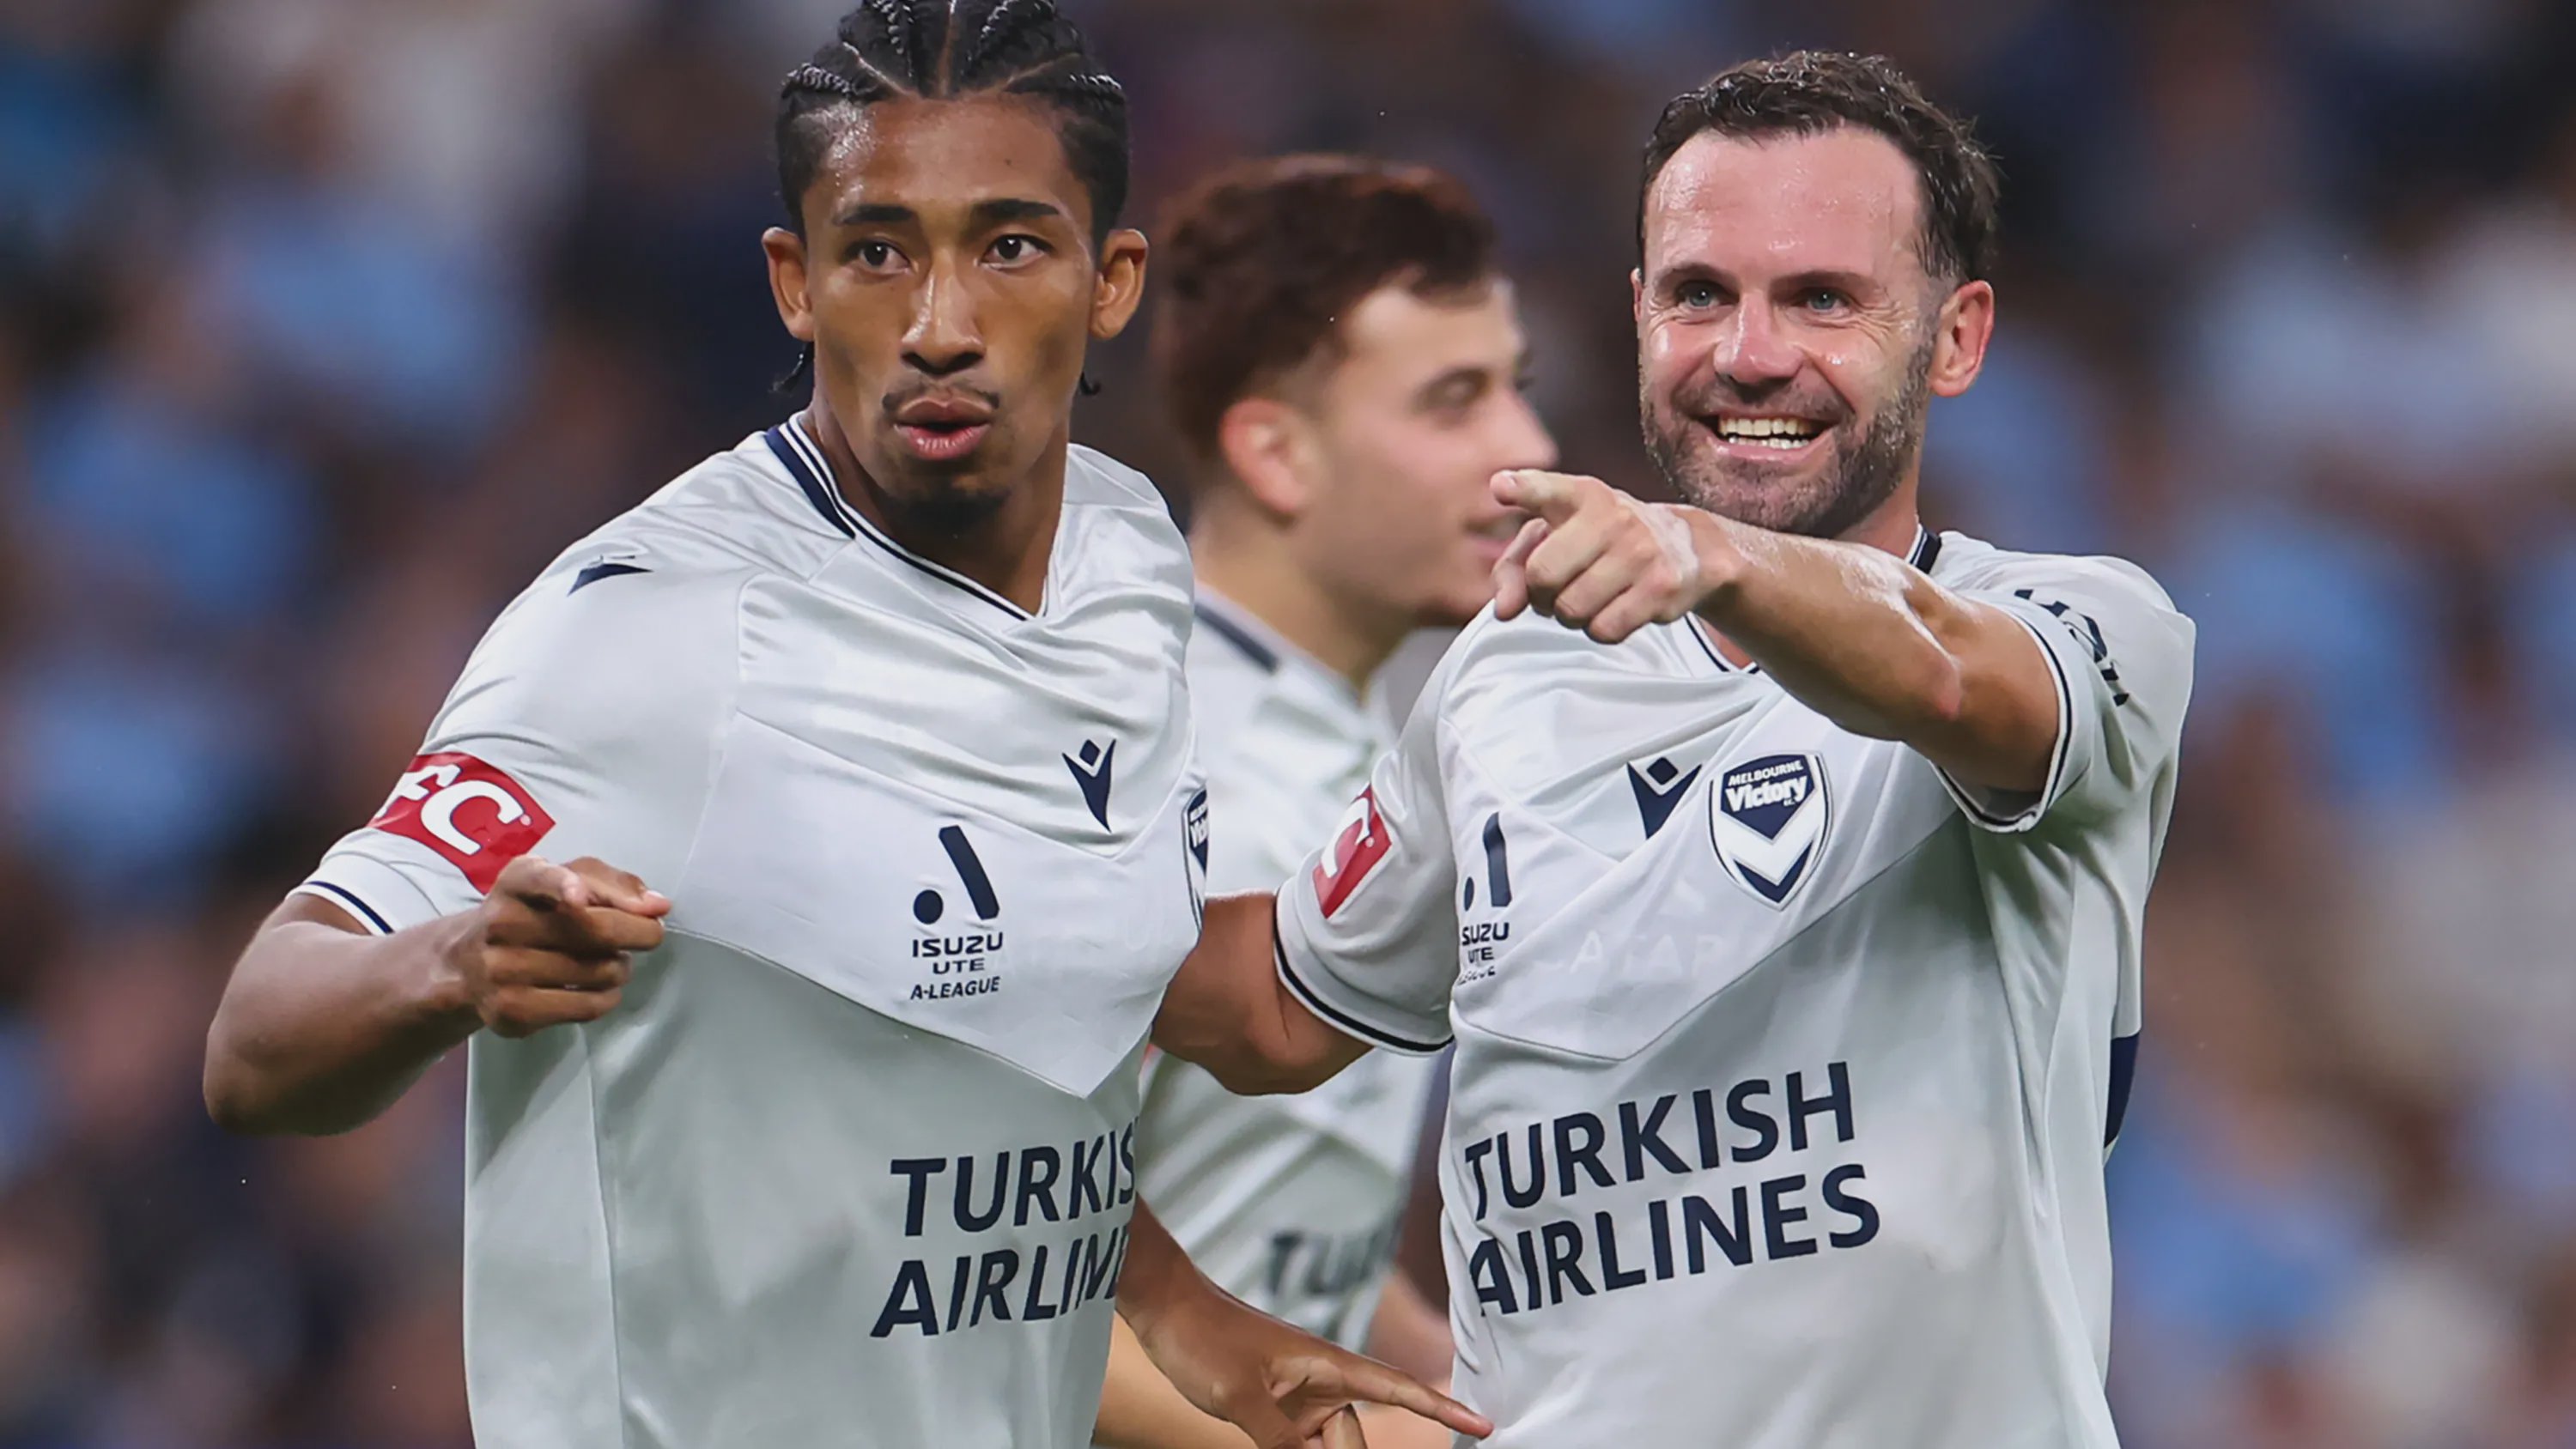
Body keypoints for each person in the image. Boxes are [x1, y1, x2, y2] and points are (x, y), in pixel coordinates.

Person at [197, 5, 1485, 1448]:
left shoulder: (1126, 562)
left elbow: (1025, 1030)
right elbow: (258, 1039)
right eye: (878, 250)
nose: (941, 324)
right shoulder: (651, 629)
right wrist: (449, 961)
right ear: (794, 281)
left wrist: (1183, 1310)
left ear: (1110, 279)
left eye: (1010, 246)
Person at [1153, 51, 2196, 1448]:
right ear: (1641, 313)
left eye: (1822, 298)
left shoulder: (2088, 627)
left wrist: (1714, 552)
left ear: (1956, 337)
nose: (1750, 353)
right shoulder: (1506, 676)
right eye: (1702, 294)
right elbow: (1275, 1007)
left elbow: (1956, 689)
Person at [1094, 155, 1555, 1449]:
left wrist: (1466, 1397)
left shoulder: (1376, 732)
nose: (1526, 450)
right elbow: (983, 1257)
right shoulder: (1138, 766)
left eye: (1516, 387)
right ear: (1278, 452)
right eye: (1454, 402)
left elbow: (1276, 1235)